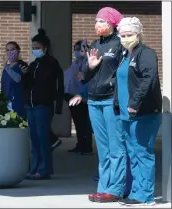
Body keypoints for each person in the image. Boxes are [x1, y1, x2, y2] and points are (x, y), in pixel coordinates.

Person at [69, 7, 132, 202]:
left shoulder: (121, 43)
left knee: (116, 147)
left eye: (101, 21)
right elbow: (86, 77)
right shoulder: (96, 44)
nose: (97, 25)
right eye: (96, 21)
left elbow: (125, 74)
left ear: (112, 23)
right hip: (94, 101)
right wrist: (90, 66)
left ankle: (115, 189)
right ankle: (103, 187)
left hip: (110, 101)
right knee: (103, 149)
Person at [114, 17, 162, 206]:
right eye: (123, 35)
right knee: (133, 154)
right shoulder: (125, 55)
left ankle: (146, 196)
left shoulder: (146, 54)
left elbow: (148, 80)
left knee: (143, 153)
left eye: (130, 34)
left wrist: (134, 103)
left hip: (143, 112)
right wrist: (118, 104)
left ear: (138, 34)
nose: (126, 38)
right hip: (126, 114)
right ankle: (136, 192)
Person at [21, 28, 64, 180]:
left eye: (37, 48)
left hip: (43, 105)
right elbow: (27, 85)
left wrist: (58, 105)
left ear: (45, 48)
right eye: (33, 47)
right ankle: (35, 167)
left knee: (43, 137)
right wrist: (25, 75)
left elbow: (59, 85)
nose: (35, 50)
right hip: (30, 105)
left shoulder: (52, 64)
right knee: (34, 137)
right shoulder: (33, 65)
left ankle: (44, 169)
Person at [64, 40, 93, 155]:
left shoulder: (85, 62)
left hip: (81, 97)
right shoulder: (75, 62)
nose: (76, 52)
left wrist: (85, 51)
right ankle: (80, 144)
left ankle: (86, 146)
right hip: (71, 95)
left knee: (83, 123)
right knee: (78, 122)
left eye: (78, 49)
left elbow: (86, 77)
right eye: (75, 49)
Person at [1, 41, 28, 119]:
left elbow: (17, 79)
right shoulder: (6, 68)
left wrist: (6, 67)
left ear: (18, 51)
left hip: (18, 103)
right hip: (6, 103)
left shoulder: (22, 65)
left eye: (12, 50)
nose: (10, 52)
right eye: (7, 50)